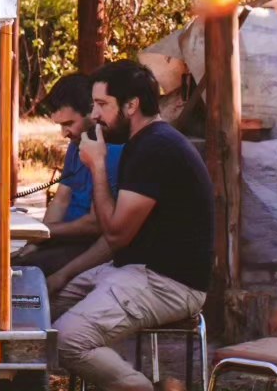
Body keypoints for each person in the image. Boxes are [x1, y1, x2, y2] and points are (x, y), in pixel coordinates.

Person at [53, 60, 215, 391]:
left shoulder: (156, 149)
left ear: (131, 105)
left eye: (101, 105)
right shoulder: (140, 143)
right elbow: (116, 240)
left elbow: (114, 232)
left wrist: (97, 165)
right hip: (135, 268)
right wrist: (65, 274)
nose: (94, 115)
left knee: (68, 339)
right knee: (44, 301)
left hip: (169, 283)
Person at [14, 73, 123, 278]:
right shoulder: (76, 145)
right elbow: (61, 200)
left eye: (69, 124)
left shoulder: (113, 152)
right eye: (60, 126)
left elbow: (94, 224)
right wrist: (36, 240)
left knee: (25, 274)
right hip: (63, 238)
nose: (64, 133)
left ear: (92, 113)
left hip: (86, 245)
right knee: (9, 267)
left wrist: (43, 231)